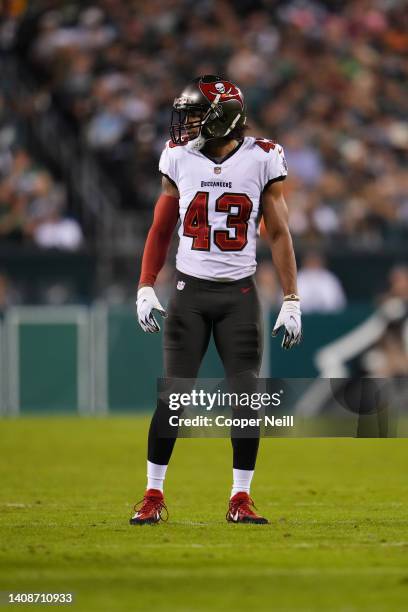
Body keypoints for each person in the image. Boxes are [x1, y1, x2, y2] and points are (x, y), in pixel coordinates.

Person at [131, 75, 302, 525]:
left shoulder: (263, 158)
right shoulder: (179, 158)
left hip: (240, 296)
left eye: (193, 116)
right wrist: (146, 284)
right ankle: (152, 494)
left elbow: (280, 232)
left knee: (247, 399)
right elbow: (161, 229)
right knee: (174, 395)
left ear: (221, 118)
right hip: (189, 292)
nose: (184, 126)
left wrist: (291, 297)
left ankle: (240, 498)